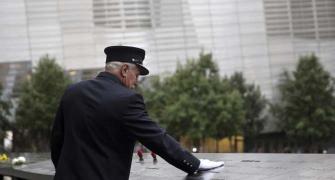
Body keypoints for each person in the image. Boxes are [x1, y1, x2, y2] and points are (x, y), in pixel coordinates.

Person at [50, 46, 224, 180]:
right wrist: (195, 164)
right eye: (137, 74)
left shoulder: (73, 91)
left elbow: (56, 141)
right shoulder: (127, 99)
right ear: (124, 70)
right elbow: (156, 138)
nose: (136, 82)